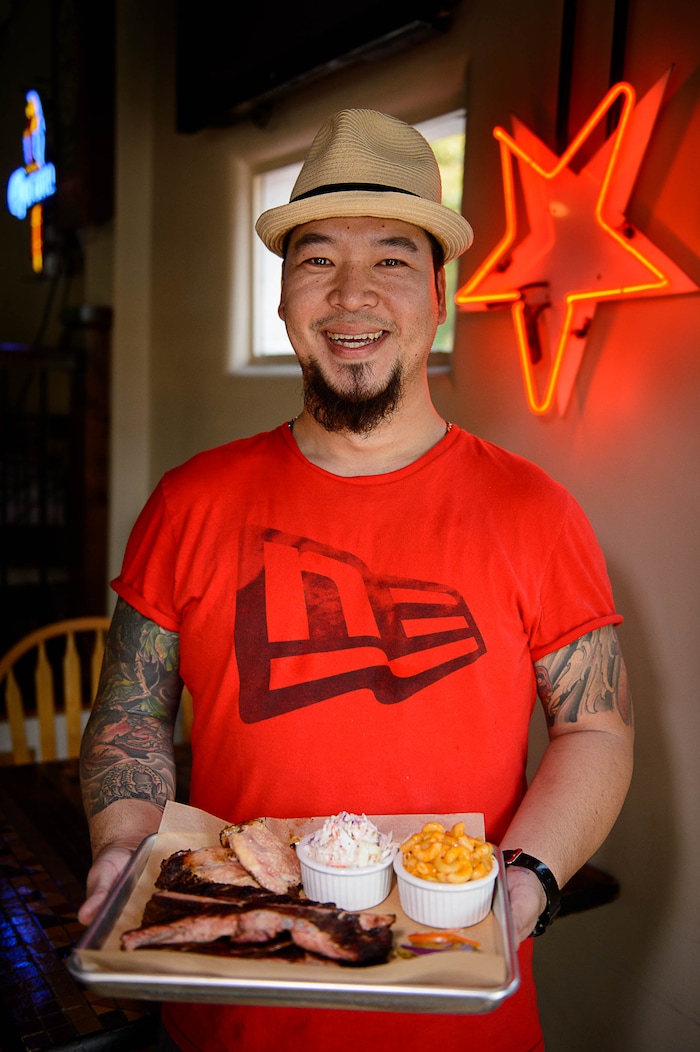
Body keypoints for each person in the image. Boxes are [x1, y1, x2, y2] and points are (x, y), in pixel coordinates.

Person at [78, 109, 633, 1052]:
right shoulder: (188, 501)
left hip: (456, 1017)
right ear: (283, 296)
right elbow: (130, 714)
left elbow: (595, 727)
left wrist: (528, 879)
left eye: (391, 259)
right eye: (317, 259)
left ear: (439, 294)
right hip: (227, 1015)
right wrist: (125, 849)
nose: (350, 294)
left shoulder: (537, 512)